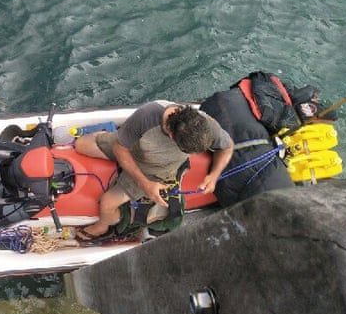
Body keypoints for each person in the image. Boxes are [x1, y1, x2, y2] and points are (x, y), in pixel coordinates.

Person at [74, 101, 233, 240]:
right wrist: (145, 184)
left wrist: (213, 175)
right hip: (131, 148)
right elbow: (119, 147)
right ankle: (115, 134)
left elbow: (227, 147)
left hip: (157, 168)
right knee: (80, 144)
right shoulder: (147, 115)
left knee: (107, 204)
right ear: (171, 135)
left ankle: (103, 226)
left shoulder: (205, 125)